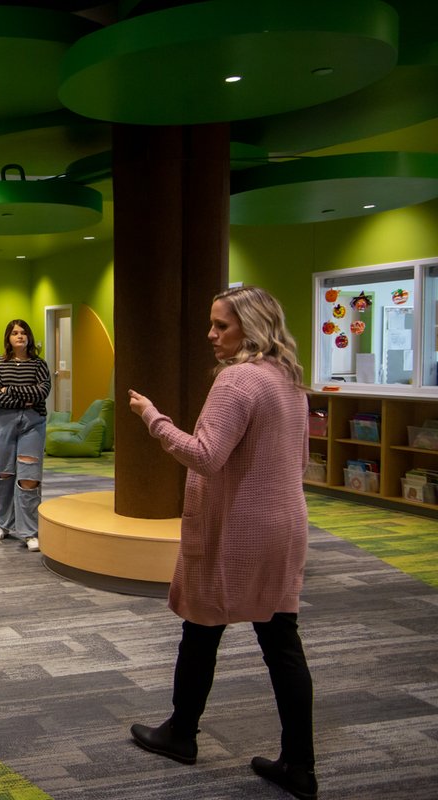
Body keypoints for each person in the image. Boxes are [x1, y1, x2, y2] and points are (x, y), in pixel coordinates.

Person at [127, 286, 317, 800]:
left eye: (221, 326)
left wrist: (152, 417)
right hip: (285, 527)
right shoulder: (290, 382)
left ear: (252, 327)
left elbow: (206, 455)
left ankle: (181, 733)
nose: (211, 335)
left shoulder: (237, 380)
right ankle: (300, 764)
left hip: (236, 528)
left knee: (201, 628)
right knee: (282, 645)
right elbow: (299, 464)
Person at [0, 319, 50, 552]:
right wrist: (26, 396)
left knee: (28, 478)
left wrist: (10, 390)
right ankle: (4, 523)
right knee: (4, 474)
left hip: (33, 423)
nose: (20, 336)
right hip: (3, 422)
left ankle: (30, 531)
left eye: (23, 332)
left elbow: (42, 392)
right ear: (8, 338)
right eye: (15, 333)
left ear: (29, 337)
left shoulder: (39, 364)